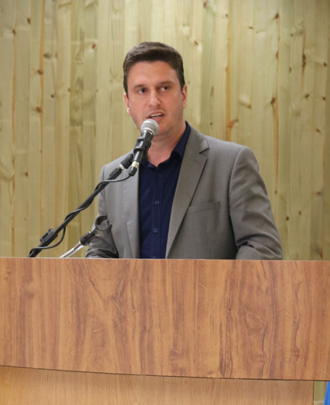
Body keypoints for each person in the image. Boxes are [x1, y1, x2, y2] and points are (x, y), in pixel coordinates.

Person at [86, 42, 283, 260]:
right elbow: (100, 254)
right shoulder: (113, 176)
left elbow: (262, 247)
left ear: (184, 94)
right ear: (127, 103)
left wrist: (219, 284)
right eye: (142, 90)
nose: (153, 101)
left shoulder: (232, 164)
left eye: (164, 88)